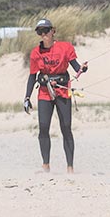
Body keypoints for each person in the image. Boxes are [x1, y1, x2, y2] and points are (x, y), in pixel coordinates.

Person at [22, 18, 88, 173]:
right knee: (43, 128)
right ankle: (45, 165)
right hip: (44, 92)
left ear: (53, 31)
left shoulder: (65, 47)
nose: (43, 34)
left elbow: (76, 67)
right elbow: (32, 76)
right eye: (40, 32)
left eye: (46, 30)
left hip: (62, 89)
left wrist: (82, 69)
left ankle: (70, 167)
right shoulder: (35, 53)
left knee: (66, 127)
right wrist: (27, 97)